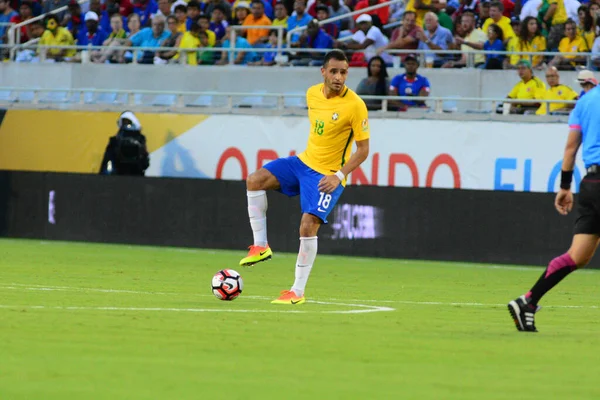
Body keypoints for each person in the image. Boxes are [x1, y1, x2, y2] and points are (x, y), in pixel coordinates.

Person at [239, 50, 370, 305]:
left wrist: (339, 175)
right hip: (302, 162)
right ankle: (261, 246)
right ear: (323, 72)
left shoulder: (355, 105)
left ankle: (297, 292)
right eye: (334, 71)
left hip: (327, 175)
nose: (339, 77)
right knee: (255, 180)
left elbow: (363, 150)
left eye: (343, 72)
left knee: (308, 225)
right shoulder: (312, 93)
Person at [507, 84, 600, 333]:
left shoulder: (585, 101)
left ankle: (528, 301)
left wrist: (565, 186)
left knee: (578, 256)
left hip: (591, 183)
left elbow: (570, 148)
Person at [99, 111, 150, 176]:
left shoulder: (140, 139)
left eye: (128, 122)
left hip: (136, 175)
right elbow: (107, 162)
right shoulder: (115, 141)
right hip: (118, 174)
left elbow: (145, 163)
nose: (126, 125)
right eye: (124, 122)